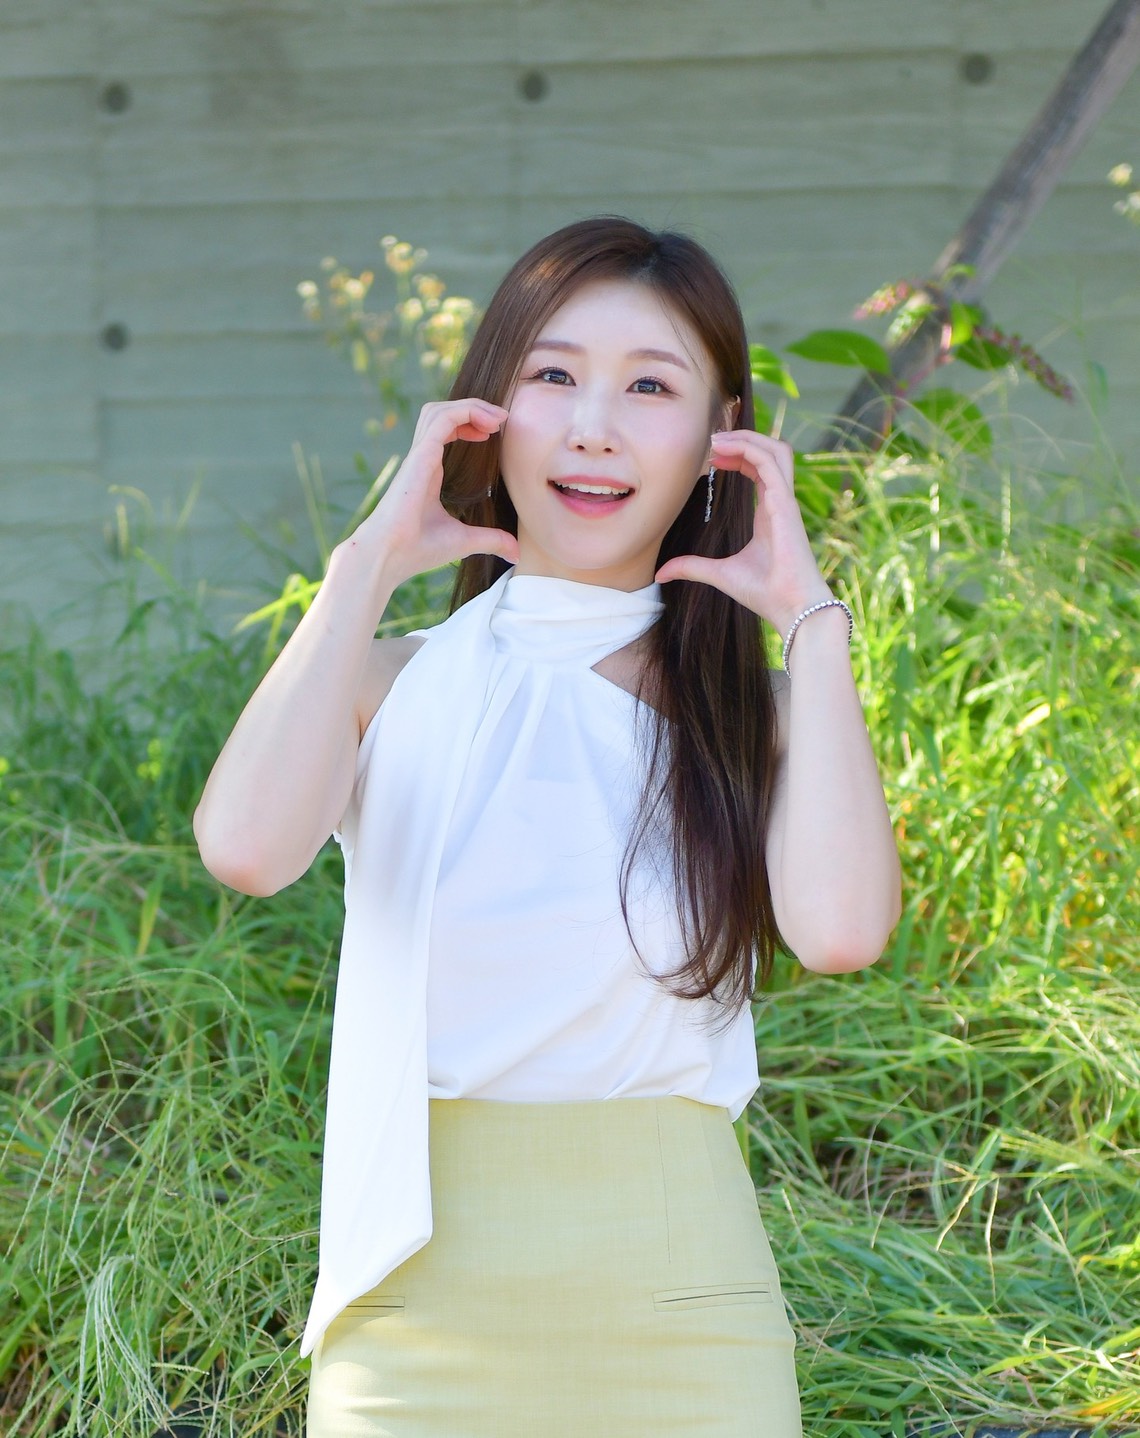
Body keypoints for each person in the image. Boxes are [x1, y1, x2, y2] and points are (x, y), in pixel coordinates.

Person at [194, 215, 901, 1437]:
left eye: (650, 387)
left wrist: (813, 622)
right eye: (555, 375)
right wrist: (366, 564)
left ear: (722, 436)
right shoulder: (387, 681)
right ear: (485, 410)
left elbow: (841, 931)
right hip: (412, 1312)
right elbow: (247, 851)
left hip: (687, 1314)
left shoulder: (764, 717)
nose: (594, 427)